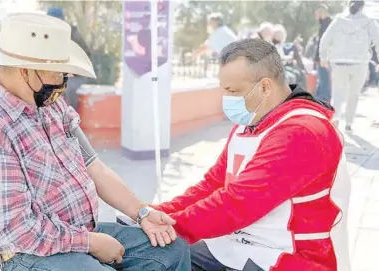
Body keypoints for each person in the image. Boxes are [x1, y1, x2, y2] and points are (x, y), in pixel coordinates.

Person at [0, 12, 190, 271]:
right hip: (28, 253)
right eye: (58, 73)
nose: (63, 83)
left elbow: (94, 167)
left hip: (78, 232)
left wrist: (142, 213)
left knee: (172, 251)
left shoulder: (49, 104)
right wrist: (90, 243)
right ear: (26, 71)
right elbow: (16, 229)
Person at [152, 39, 351, 271]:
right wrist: (157, 212)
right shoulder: (250, 123)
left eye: (233, 91)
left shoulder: (303, 132)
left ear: (265, 87)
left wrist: (169, 226)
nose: (226, 99)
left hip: (293, 258)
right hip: (239, 247)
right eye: (224, 90)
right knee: (155, 259)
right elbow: (212, 185)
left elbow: (238, 203)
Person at [319, 0, 379, 132]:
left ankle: (335, 117)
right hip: (360, 63)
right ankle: (349, 123)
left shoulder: (339, 21)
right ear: (362, 7)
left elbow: (325, 38)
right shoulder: (369, 22)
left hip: (339, 62)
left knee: (338, 93)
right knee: (354, 94)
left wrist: (323, 57)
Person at [47, 7, 92, 112]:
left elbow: (85, 57)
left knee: (68, 89)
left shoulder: (73, 34)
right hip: (52, 73)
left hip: (75, 75)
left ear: (63, 20)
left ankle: (70, 121)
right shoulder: (44, 34)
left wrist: (72, 70)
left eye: (57, 21)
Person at [314, 4, 333, 103]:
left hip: (324, 58)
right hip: (322, 58)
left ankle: (323, 102)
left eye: (316, 14)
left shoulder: (327, 25)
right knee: (322, 82)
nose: (315, 16)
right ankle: (318, 100)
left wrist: (322, 57)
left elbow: (324, 43)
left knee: (324, 82)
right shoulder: (324, 24)